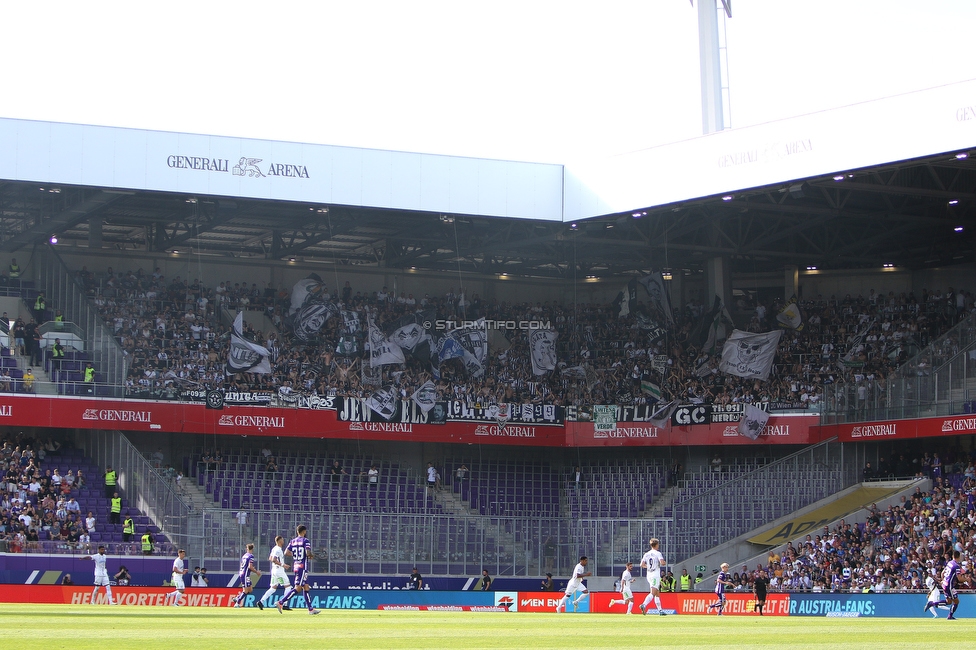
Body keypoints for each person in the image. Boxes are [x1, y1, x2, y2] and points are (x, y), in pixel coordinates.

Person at [277, 525, 320, 615]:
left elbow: (286, 552)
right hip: (302, 567)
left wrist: (296, 555)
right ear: (304, 531)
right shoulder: (305, 540)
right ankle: (281, 602)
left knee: (306, 587)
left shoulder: (293, 541)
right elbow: (308, 553)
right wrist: (311, 555)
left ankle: (310, 609)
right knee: (298, 588)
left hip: (296, 566)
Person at [925, 550, 961, 620]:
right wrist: (965, 580)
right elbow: (959, 578)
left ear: (953, 556)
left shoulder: (949, 563)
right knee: (956, 601)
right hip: (949, 586)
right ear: (959, 557)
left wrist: (943, 580)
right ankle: (949, 615)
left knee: (949, 602)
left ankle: (932, 604)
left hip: (946, 584)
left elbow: (942, 572)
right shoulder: (956, 566)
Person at [257, 536, 291, 610]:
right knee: (288, 586)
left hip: (274, 570)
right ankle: (284, 604)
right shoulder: (278, 549)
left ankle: (261, 601)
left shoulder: (274, 548)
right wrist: (283, 565)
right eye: (282, 540)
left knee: (273, 588)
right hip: (279, 570)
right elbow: (273, 559)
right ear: (279, 541)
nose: (283, 541)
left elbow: (270, 558)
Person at [639, 538, 667, 615]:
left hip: (649, 574)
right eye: (658, 544)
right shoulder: (658, 553)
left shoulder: (646, 554)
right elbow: (662, 563)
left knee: (657, 592)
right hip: (655, 574)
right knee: (653, 593)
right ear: (656, 545)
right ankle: (643, 605)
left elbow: (641, 565)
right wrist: (664, 562)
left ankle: (660, 611)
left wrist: (648, 567)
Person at [232, 543, 262, 608]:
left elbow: (242, 565)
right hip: (245, 574)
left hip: (243, 573)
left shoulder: (244, 556)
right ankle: (237, 603)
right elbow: (250, 567)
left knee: (250, 590)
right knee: (245, 590)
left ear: (247, 549)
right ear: (252, 549)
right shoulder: (251, 556)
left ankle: (237, 598)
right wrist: (256, 572)